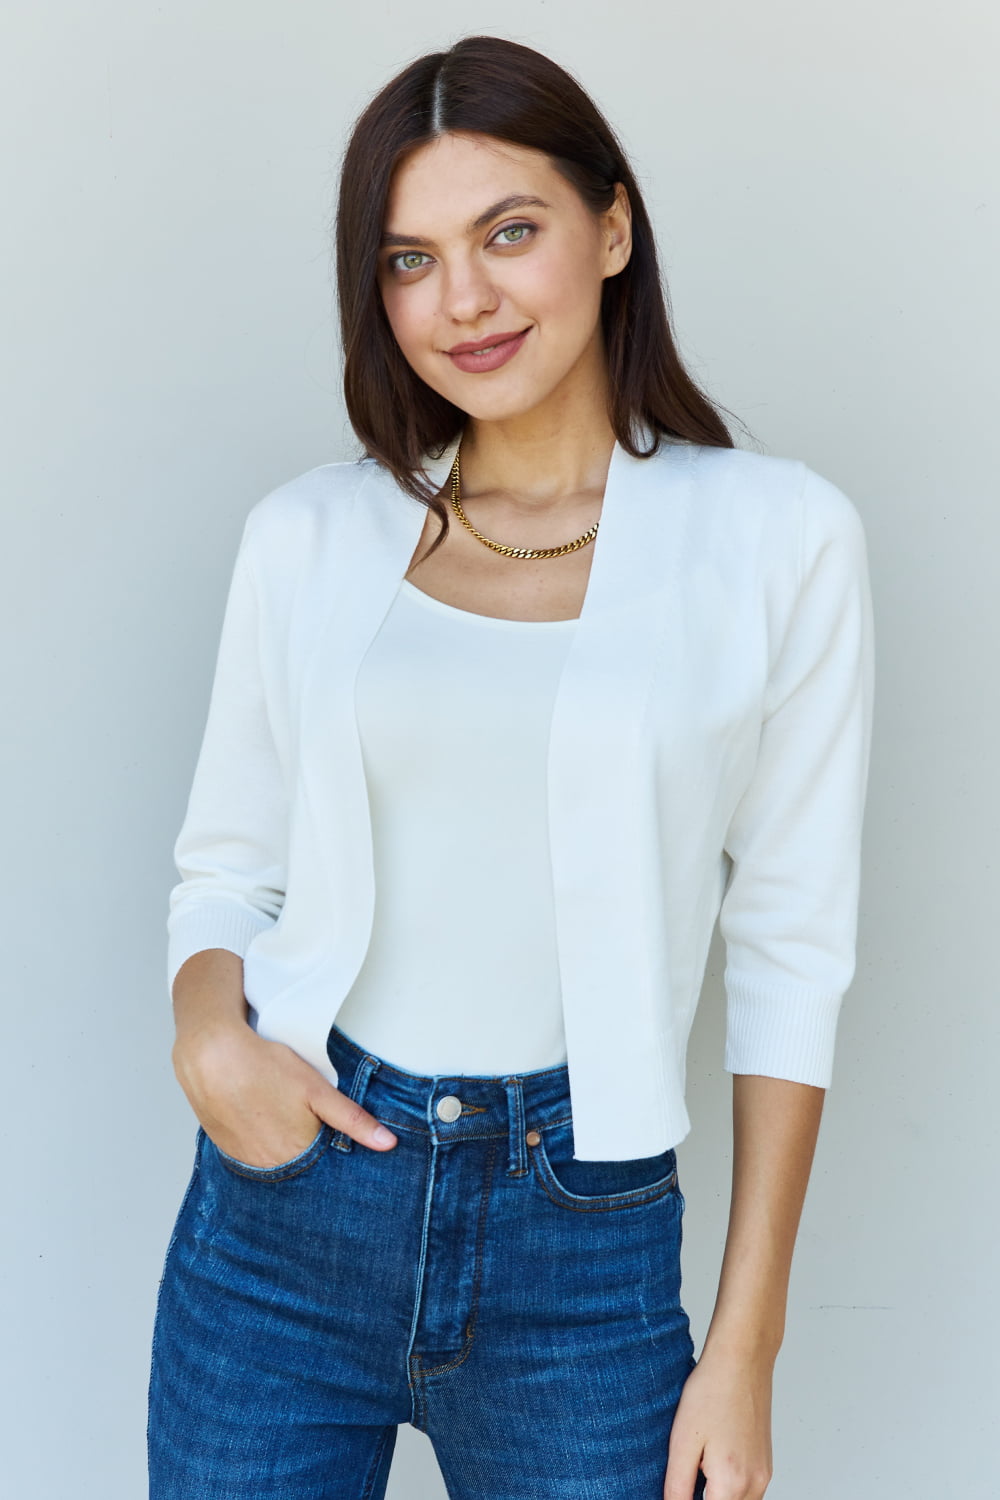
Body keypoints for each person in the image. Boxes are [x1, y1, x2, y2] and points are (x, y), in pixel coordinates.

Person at [147, 33, 874, 1500]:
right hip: (285, 1221)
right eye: (410, 260)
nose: (463, 299)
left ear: (612, 228)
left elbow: (791, 949)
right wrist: (209, 1041)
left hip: (582, 1241)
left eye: (511, 233)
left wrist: (743, 1350)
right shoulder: (308, 536)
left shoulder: (780, 539)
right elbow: (224, 867)